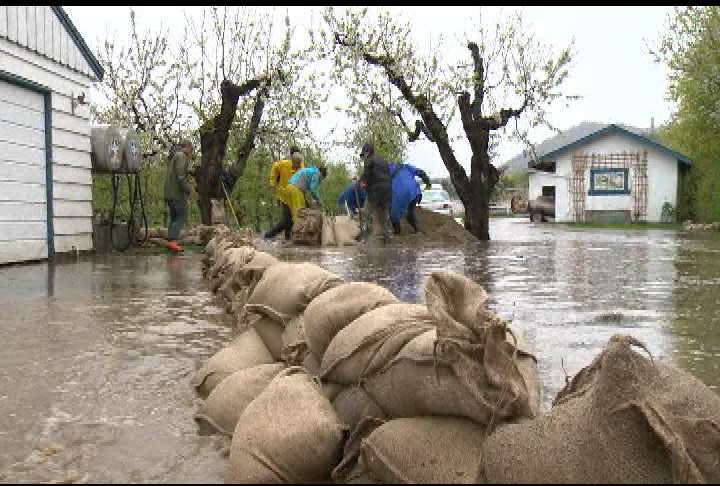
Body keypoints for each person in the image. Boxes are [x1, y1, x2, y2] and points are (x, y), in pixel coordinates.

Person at [264, 147, 304, 240]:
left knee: (292, 220)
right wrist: (272, 182)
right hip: (284, 195)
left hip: (295, 196)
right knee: (285, 220)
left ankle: (288, 240)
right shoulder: (283, 164)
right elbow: (274, 167)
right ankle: (268, 236)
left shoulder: (301, 165)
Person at [163, 138, 195, 253]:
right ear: (186, 147)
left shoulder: (175, 157)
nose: (191, 153)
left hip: (169, 192)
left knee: (174, 217)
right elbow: (180, 176)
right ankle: (173, 241)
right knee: (181, 215)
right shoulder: (181, 156)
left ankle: (171, 240)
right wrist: (188, 190)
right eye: (191, 150)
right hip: (176, 193)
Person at [358, 142, 392, 243]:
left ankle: (364, 238)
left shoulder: (369, 161)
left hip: (376, 192)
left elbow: (366, 175)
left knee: (366, 214)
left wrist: (362, 182)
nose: (363, 157)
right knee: (385, 216)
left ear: (367, 152)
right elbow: (385, 175)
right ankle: (386, 238)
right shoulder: (383, 161)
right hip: (387, 191)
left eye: (363, 154)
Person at [388, 161, 432, 234]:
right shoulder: (405, 166)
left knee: (393, 215)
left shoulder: (385, 171)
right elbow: (421, 172)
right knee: (410, 213)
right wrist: (428, 183)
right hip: (414, 192)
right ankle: (417, 230)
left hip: (399, 195)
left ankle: (397, 232)